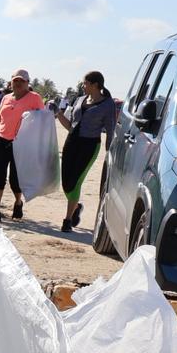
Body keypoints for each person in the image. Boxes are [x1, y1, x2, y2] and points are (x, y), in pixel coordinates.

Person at [56, 70, 117, 232]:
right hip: (71, 143)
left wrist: (108, 153)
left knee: (76, 181)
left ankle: (67, 220)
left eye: (85, 83)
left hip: (89, 146)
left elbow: (110, 130)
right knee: (66, 183)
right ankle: (76, 207)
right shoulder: (80, 100)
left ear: (95, 85)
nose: (83, 86)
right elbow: (70, 126)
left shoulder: (108, 104)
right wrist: (57, 113)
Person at [0, 69, 45, 222]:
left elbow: (42, 122)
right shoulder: (5, 98)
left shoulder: (34, 98)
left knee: (15, 180)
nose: (18, 83)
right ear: (11, 82)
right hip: (2, 140)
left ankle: (18, 202)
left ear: (27, 83)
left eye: (21, 81)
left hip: (21, 144)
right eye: (15, 80)